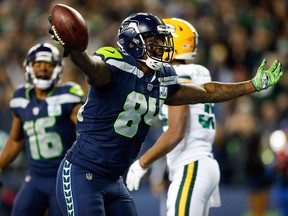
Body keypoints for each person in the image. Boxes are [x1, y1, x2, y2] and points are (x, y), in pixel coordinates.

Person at [48, 11, 283, 216]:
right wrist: (74, 49)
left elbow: (207, 91)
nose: (161, 46)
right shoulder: (115, 65)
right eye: (153, 40)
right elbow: (90, 67)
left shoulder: (162, 77)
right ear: (132, 42)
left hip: (114, 179)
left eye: (161, 40)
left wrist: (252, 84)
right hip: (82, 173)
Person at [126, 17, 221, 216]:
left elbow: (176, 131)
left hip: (192, 165)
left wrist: (143, 162)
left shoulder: (178, 73)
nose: (157, 45)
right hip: (199, 162)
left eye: (160, 40)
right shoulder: (198, 71)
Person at [0, 43, 84, 216]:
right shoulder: (20, 98)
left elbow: (87, 131)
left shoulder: (68, 94)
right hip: (35, 178)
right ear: (29, 68)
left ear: (57, 68)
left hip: (63, 178)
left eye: (48, 65)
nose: (43, 69)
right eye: (38, 64)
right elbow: (16, 139)